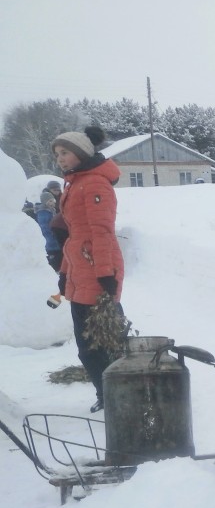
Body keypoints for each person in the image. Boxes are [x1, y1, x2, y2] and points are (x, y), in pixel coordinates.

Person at [52, 126, 125, 413]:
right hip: (81, 271)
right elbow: (75, 237)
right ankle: (107, 394)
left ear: (81, 154)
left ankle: (120, 395)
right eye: (57, 154)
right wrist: (64, 273)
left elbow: (101, 231)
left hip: (97, 271)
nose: (60, 158)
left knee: (105, 344)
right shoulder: (75, 183)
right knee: (88, 348)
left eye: (65, 152)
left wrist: (105, 272)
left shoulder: (95, 183)